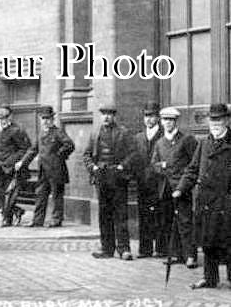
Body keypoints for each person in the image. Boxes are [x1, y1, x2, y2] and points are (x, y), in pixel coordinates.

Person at [174, 103, 231, 289]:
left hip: (226, 201)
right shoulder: (204, 143)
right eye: (212, 119)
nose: (215, 123)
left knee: (228, 241)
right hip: (206, 201)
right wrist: (181, 188)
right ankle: (210, 278)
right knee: (208, 242)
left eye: (219, 119)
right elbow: (192, 169)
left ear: (227, 120)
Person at [84, 104, 136, 260]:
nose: (106, 117)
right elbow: (86, 155)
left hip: (118, 178)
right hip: (101, 178)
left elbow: (133, 154)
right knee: (104, 215)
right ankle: (106, 248)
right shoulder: (95, 134)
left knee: (120, 214)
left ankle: (124, 249)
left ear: (114, 116)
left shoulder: (124, 133)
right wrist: (92, 167)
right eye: (104, 114)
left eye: (109, 114)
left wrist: (122, 166)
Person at [151, 106, 199, 268]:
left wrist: (184, 182)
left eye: (171, 120)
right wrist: (163, 166)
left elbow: (194, 163)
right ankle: (175, 254)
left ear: (176, 121)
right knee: (168, 221)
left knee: (185, 221)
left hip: (181, 187)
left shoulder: (186, 140)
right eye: (165, 120)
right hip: (165, 188)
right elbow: (154, 164)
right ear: (161, 121)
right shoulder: (159, 143)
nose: (168, 123)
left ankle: (190, 255)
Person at [20, 105, 75, 227]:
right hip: (43, 170)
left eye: (48, 118)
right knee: (40, 195)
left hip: (56, 170)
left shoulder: (58, 132)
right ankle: (37, 220)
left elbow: (70, 145)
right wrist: (22, 162)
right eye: (43, 119)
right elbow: (32, 150)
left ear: (53, 119)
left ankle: (56, 220)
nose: (45, 121)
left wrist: (58, 155)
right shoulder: (40, 134)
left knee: (56, 195)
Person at [0, 105, 32, 227]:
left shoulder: (17, 130)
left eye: (4, 118)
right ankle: (17, 211)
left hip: (13, 168)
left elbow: (25, 148)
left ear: (9, 118)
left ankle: (7, 219)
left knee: (10, 194)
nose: (2, 121)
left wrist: (14, 161)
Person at [133, 101, 164, 257]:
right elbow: (134, 158)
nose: (148, 119)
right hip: (143, 182)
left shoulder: (164, 135)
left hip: (159, 182)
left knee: (160, 215)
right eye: (146, 116)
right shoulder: (138, 137)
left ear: (158, 118)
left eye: (152, 116)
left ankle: (160, 248)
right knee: (144, 215)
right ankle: (145, 249)